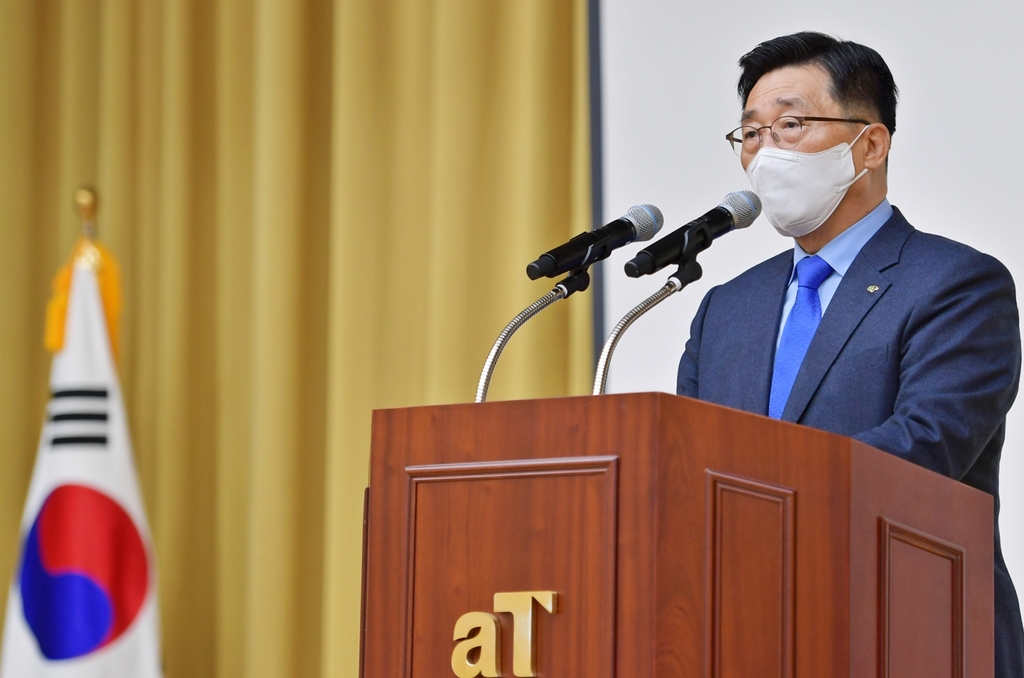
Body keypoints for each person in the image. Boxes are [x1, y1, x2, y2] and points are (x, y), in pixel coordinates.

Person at [676, 32, 1023, 676]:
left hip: (910, 627)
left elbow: (928, 444)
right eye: (750, 133)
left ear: (871, 144)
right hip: (746, 634)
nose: (764, 151)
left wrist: (763, 497)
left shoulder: (955, 282)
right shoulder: (728, 307)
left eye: (791, 124)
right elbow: (687, 464)